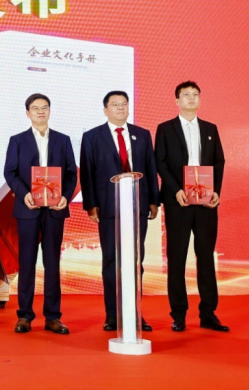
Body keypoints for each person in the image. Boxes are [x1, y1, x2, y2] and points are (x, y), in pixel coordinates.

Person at [80, 91, 159, 332]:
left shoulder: (142, 135)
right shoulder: (92, 137)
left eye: (124, 104)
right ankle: (113, 315)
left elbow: (150, 168)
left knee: (136, 260)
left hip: (138, 204)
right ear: (105, 110)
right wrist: (90, 204)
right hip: (108, 205)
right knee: (111, 260)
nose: (120, 108)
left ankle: (135, 313)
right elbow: (87, 172)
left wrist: (154, 201)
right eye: (115, 105)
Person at [155, 81, 228, 332]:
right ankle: (178, 314)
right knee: (176, 258)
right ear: (177, 100)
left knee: (206, 256)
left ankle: (208, 313)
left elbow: (219, 162)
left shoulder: (210, 128)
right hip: (179, 201)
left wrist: (216, 191)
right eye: (186, 95)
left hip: (206, 202)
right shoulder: (165, 129)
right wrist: (176, 190)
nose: (191, 98)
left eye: (195, 94)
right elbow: (160, 162)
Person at [3, 93, 77, 334]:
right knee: (26, 262)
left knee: (52, 263)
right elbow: (10, 172)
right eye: (35, 108)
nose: (40, 112)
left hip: (55, 209)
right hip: (28, 209)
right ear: (28, 113)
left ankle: (53, 317)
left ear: (50, 111)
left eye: (44, 107)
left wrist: (66, 196)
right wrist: (24, 193)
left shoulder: (63, 140)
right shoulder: (17, 140)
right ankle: (24, 315)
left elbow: (71, 173)